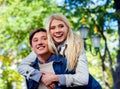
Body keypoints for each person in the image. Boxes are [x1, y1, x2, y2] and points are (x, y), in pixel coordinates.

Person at [18, 13, 102, 89]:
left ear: (67, 28)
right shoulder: (44, 46)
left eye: (61, 26)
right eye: (52, 28)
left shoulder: (77, 45)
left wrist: (55, 78)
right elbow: (22, 66)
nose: (57, 30)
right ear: (49, 32)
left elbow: (83, 79)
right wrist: (40, 77)